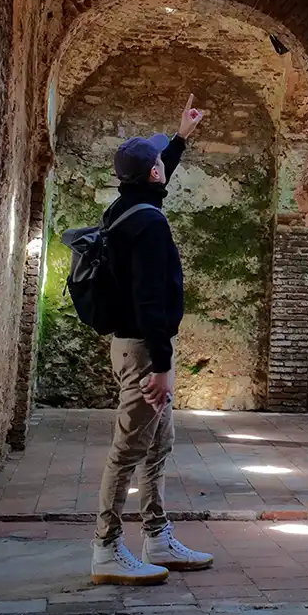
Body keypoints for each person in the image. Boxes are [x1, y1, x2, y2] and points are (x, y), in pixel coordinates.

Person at [91, 94, 215, 584]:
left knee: (158, 443)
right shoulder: (149, 226)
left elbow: (154, 188)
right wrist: (161, 366)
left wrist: (181, 137)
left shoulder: (126, 209)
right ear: (154, 174)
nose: (165, 166)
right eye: (162, 162)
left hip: (134, 345)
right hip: (145, 349)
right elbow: (151, 303)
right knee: (128, 450)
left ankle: (157, 534)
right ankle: (106, 547)